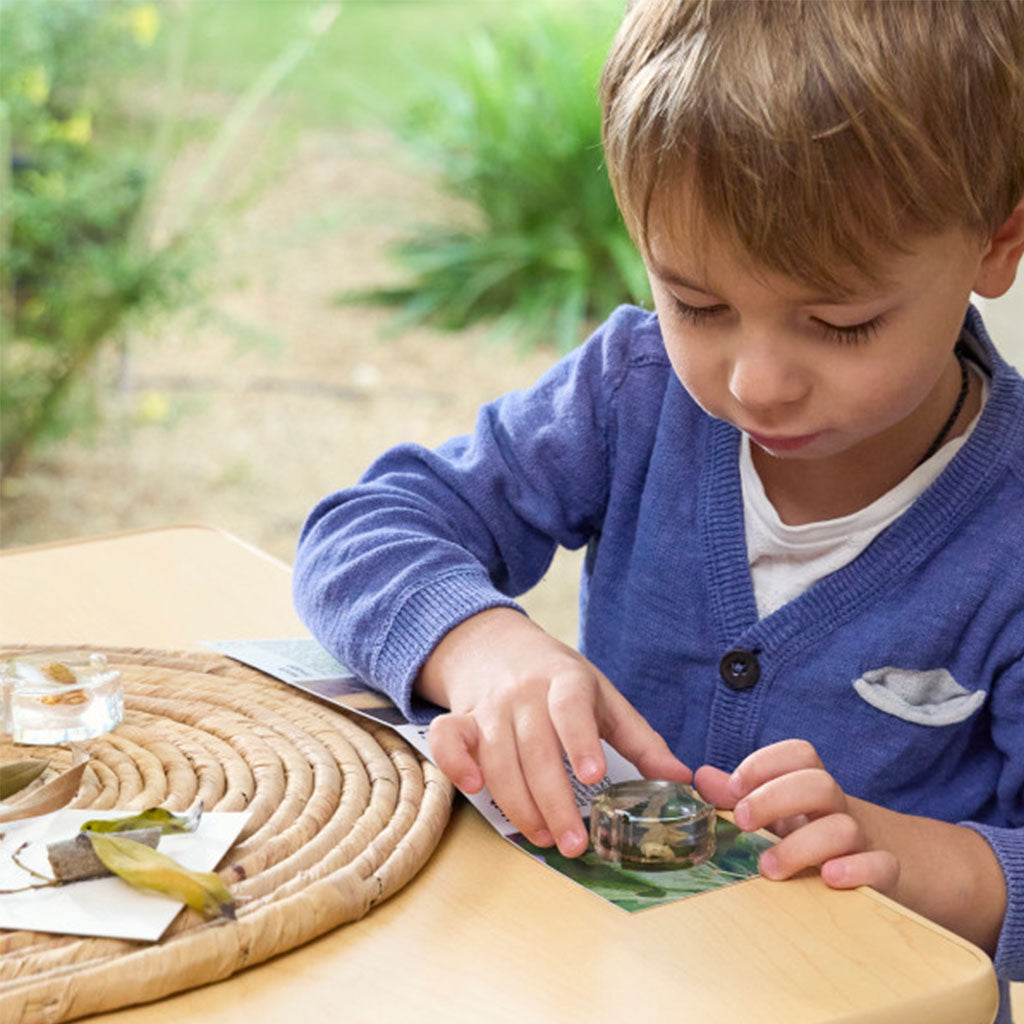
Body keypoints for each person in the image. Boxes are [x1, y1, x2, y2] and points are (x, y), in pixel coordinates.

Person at [294, 1, 1024, 1018]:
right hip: (590, 984)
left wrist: (920, 863)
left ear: (996, 244)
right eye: (697, 303)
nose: (757, 381)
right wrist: (485, 647)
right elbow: (362, 533)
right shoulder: (633, 394)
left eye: (840, 323)